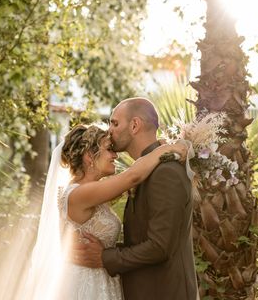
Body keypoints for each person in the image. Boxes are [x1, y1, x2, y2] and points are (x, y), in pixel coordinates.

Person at [27, 121, 187, 300]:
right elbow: (132, 177)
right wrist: (162, 151)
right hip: (85, 286)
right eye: (109, 149)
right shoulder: (80, 193)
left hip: (100, 280)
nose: (115, 156)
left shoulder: (93, 191)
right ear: (89, 156)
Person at [72, 97, 199, 300]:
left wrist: (105, 257)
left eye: (114, 123)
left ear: (134, 125)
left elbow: (159, 246)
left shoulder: (165, 172)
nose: (109, 130)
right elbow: (141, 239)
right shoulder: (144, 170)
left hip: (163, 292)